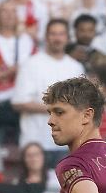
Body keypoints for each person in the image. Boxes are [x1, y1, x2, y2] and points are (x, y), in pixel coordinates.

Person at [13, 20, 87, 167]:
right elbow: (19, 102)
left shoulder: (76, 67)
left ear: (68, 38)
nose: (57, 38)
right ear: (46, 37)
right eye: (53, 34)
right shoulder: (31, 64)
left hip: (67, 143)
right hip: (36, 142)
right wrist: (58, 108)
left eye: (61, 34)